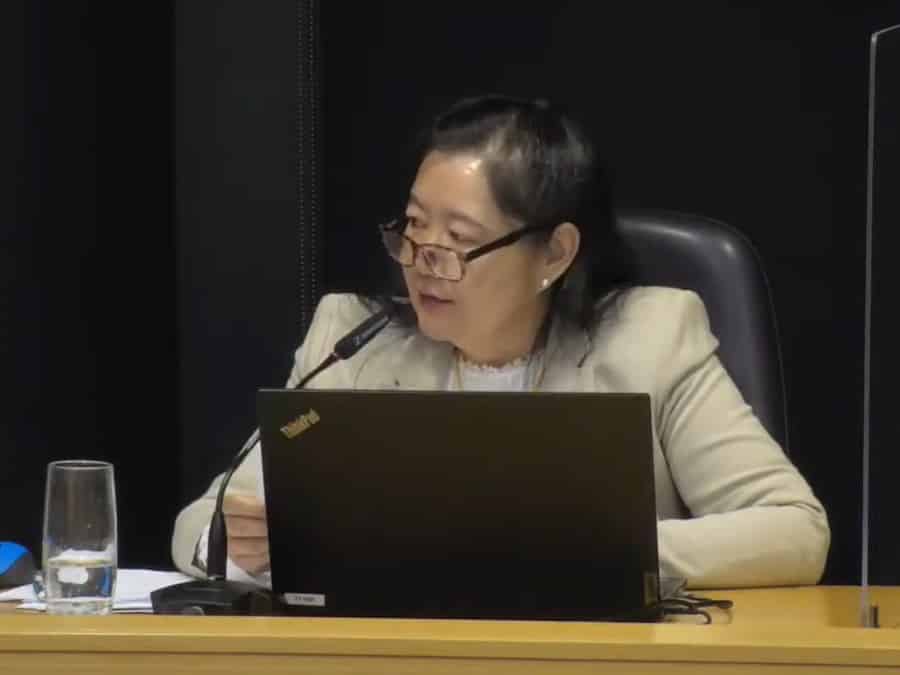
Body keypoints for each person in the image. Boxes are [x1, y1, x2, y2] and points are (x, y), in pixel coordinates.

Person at [171, 94, 830, 590]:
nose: (423, 258)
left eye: (459, 239)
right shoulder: (352, 343)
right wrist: (239, 542)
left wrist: (594, 551)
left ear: (555, 253)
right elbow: (200, 525)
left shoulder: (651, 339)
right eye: (414, 226)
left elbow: (795, 528)